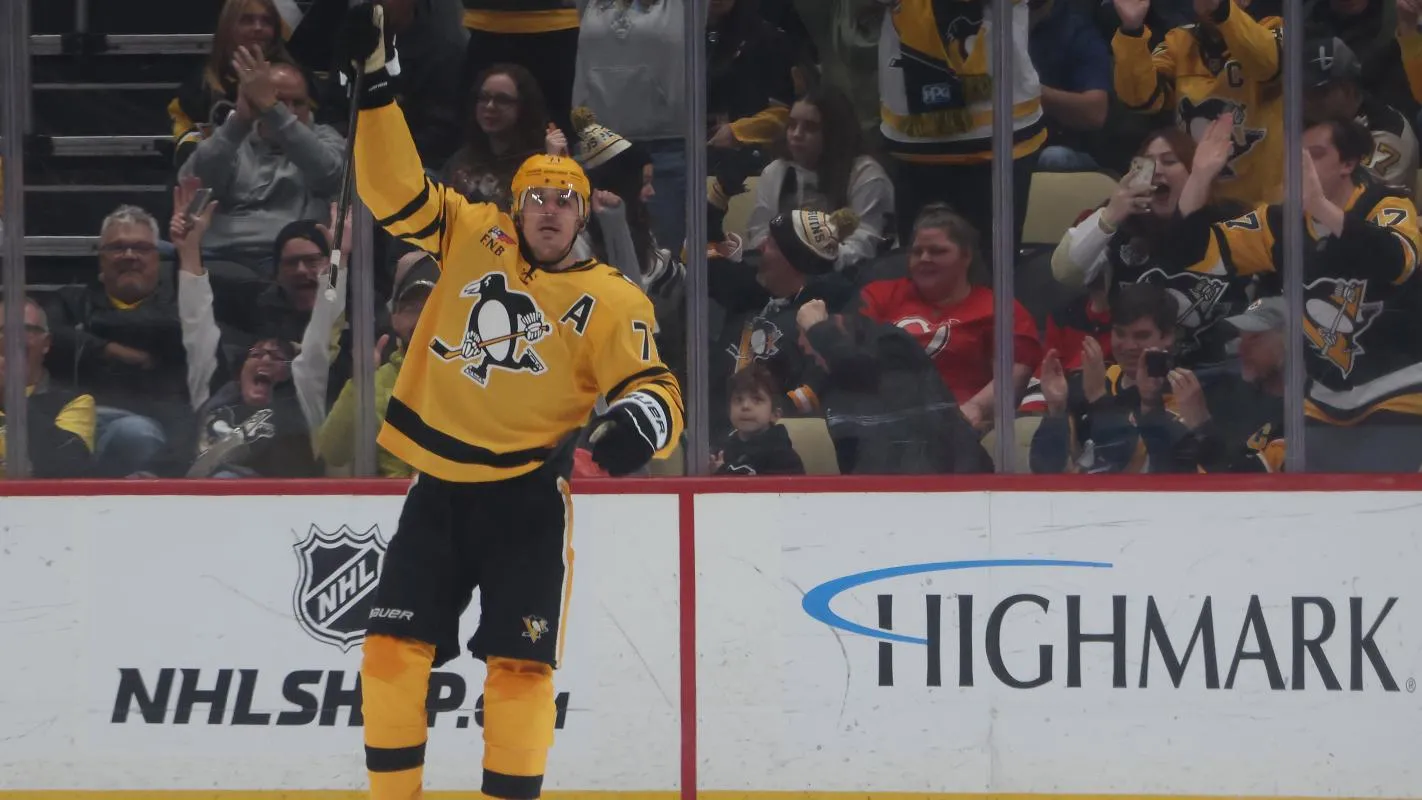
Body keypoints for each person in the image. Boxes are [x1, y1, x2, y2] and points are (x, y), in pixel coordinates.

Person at [340, 7, 685, 800]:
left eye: (566, 200)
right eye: (538, 197)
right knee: (391, 652)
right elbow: (390, 187)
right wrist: (378, 88)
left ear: (583, 210)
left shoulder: (609, 298)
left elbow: (654, 386)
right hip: (437, 491)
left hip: (527, 499)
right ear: (517, 205)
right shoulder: (471, 233)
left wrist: (634, 427)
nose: (551, 210)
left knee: (519, 666)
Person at [1177, 113, 1422, 471]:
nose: (1301, 164)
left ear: (1349, 163)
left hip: (1399, 393)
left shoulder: (1387, 204)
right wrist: (1199, 177)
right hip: (1323, 400)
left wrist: (1321, 206)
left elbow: (1396, 262)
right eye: (1295, 155)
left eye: (1316, 153)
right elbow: (1193, 250)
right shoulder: (1278, 224)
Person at [1051, 126, 1253, 370]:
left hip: (1218, 370)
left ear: (1196, 168)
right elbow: (1066, 272)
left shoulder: (1233, 220)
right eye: (1146, 164)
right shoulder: (1119, 220)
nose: (1156, 170)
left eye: (1169, 161)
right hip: (1136, 370)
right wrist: (1112, 213)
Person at [860, 204, 1043, 433]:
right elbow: (852, 351)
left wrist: (976, 408)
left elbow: (1015, 373)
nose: (924, 258)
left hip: (961, 427)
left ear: (966, 256)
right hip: (883, 423)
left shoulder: (998, 308)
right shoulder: (879, 296)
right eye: (917, 252)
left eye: (937, 251)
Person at [178, 46, 346, 275]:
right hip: (223, 257)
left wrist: (274, 112)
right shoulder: (231, 138)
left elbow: (331, 176)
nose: (288, 112)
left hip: (294, 262)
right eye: (277, 101)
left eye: (298, 103)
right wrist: (238, 123)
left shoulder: (325, 139)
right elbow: (195, 187)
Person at [1112, 0, 1283, 206]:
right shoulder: (1179, 41)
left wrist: (1221, 10)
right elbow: (1140, 99)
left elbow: (1266, 64)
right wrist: (1132, 30)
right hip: (1195, 203)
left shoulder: (1273, 29)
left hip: (1260, 208)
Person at [796, 301, 994, 474]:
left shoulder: (891, 343)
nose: (817, 361)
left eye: (814, 347)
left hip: (951, 485)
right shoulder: (834, 373)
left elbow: (862, 370)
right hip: (883, 494)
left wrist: (818, 328)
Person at [1032, 283, 1199, 473]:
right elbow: (1043, 467)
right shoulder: (1095, 380)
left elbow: (1124, 462)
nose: (1128, 346)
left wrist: (1098, 398)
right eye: (1120, 333)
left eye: (1141, 336)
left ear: (1168, 336)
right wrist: (1056, 411)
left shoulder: (1185, 395)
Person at [745, 86, 894, 273]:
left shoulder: (866, 175)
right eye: (792, 125)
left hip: (848, 278)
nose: (796, 134)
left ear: (834, 133)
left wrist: (812, 260)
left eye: (810, 127)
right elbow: (759, 231)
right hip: (783, 275)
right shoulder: (775, 171)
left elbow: (865, 245)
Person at [319, 251, 439, 477]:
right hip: (388, 507)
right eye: (412, 309)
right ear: (394, 318)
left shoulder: (473, 379)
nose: (423, 319)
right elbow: (333, 453)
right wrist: (360, 384)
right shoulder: (376, 381)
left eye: (433, 308)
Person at [1303, 36, 1420, 188]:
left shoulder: (1389, 133)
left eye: (1318, 93)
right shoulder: (1310, 120)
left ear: (1348, 90)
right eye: (1303, 92)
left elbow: (1354, 198)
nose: (1306, 101)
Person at [0, 298, 96, 478]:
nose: (12, 338)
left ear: (46, 343)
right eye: (2, 331)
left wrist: (10, 396)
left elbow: (69, 467)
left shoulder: (74, 402)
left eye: (26, 329)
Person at [711, 363, 806, 476]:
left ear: (775, 414)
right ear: (729, 411)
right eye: (738, 399)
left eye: (757, 399)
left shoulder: (784, 458)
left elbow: (767, 492)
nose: (745, 406)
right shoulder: (721, 452)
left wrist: (722, 473)